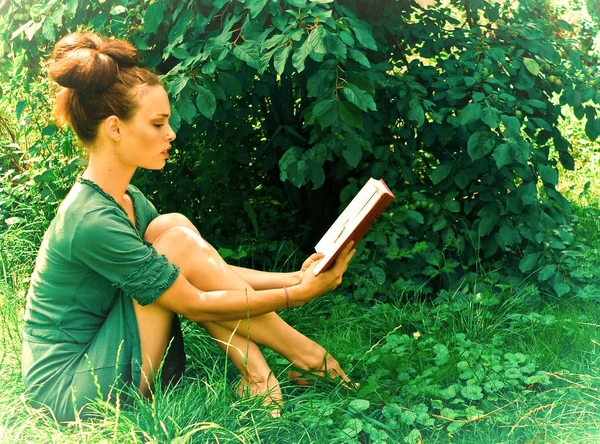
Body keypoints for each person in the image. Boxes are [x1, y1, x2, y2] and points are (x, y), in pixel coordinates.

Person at [22, 32, 356, 423]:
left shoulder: (127, 199)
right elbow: (193, 301)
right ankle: (308, 357)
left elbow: (204, 275)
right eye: (158, 123)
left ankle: (260, 376)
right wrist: (296, 296)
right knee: (175, 244)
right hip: (70, 388)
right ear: (115, 128)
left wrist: (293, 277)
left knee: (172, 228)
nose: (171, 134)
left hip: (103, 351)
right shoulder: (89, 219)